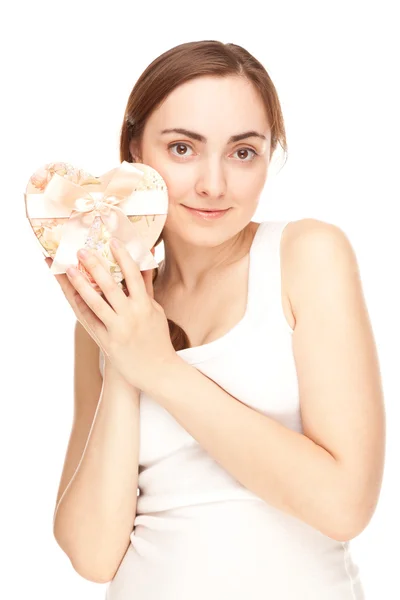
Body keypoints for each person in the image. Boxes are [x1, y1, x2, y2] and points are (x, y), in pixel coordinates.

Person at [51, 40, 385, 599]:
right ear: (135, 151)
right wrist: (123, 353)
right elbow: (91, 553)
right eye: (183, 148)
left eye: (243, 152)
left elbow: (344, 505)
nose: (213, 184)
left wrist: (159, 368)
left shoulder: (306, 256)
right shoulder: (114, 312)